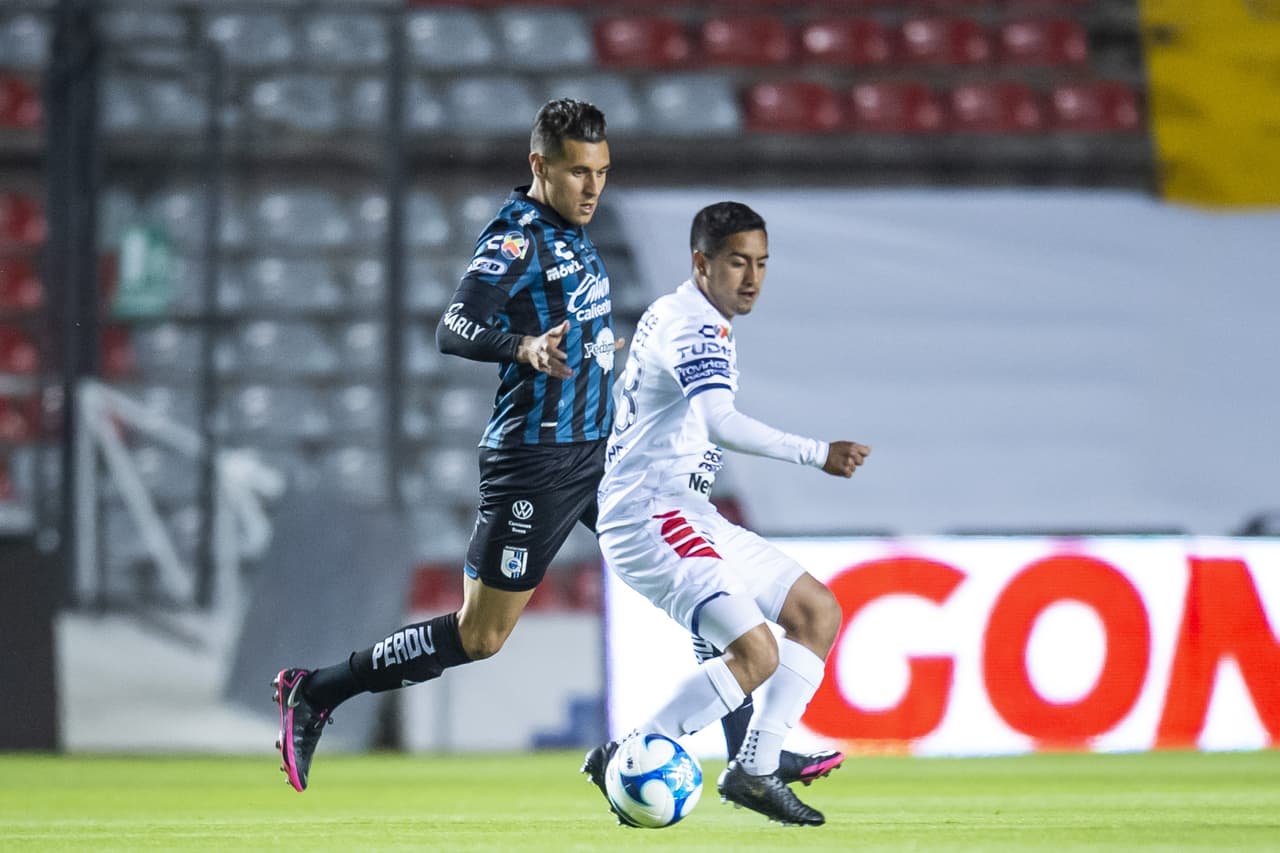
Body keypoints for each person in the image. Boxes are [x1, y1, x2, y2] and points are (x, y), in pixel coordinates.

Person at [271, 98, 622, 792]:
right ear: (539, 166)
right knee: (480, 636)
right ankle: (317, 690)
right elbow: (455, 325)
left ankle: (752, 755)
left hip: (600, 454)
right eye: (578, 171)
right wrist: (521, 345)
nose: (592, 187)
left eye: (602, 172)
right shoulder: (517, 237)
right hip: (537, 459)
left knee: (687, 571)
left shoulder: (575, 234)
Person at [582, 201, 871, 827]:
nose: (752, 278)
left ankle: (755, 768)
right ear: (700, 263)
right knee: (757, 652)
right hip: (650, 513)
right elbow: (720, 422)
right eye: (738, 262)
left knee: (816, 612)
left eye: (762, 263)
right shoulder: (693, 327)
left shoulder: (689, 314)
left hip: (686, 509)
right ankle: (630, 753)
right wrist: (817, 453)